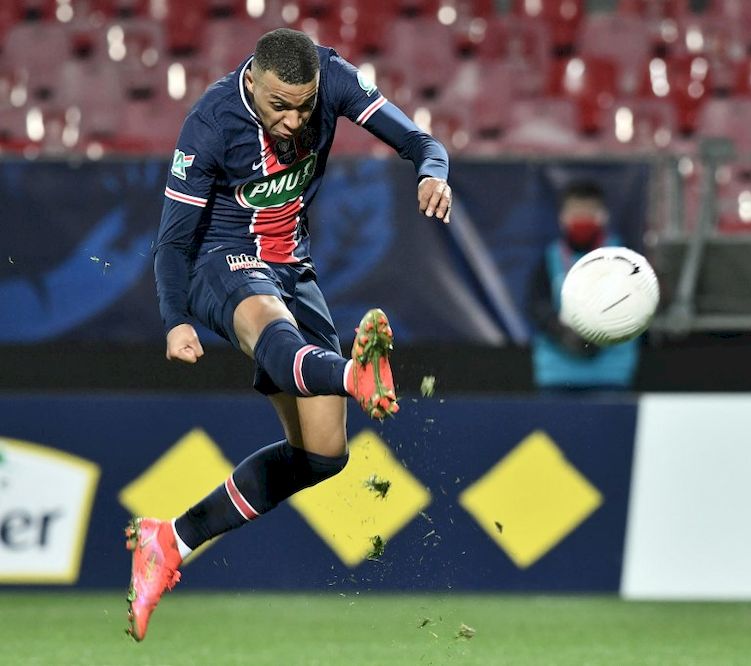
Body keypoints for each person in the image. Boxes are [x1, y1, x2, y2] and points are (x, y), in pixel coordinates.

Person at [125, 28, 452, 641]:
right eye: (281, 106)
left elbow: (419, 139)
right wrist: (175, 320)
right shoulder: (211, 123)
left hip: (292, 269)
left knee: (324, 454)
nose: (295, 119)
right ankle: (356, 374)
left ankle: (169, 539)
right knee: (270, 327)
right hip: (219, 261)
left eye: (305, 105)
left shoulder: (332, 78)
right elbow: (171, 241)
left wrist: (432, 172)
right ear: (252, 79)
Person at [530, 181, 639, 389]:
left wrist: (604, 333)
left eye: (589, 211)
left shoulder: (625, 258)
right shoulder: (550, 257)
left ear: (603, 215)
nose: (582, 218)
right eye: (576, 211)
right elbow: (537, 306)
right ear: (562, 217)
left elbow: (638, 305)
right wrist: (561, 333)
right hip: (557, 375)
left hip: (611, 375)